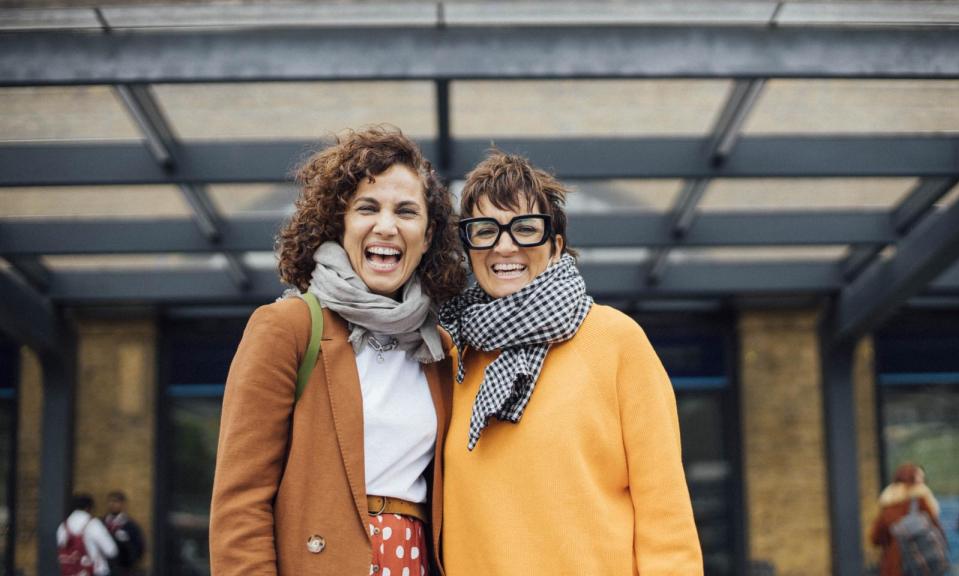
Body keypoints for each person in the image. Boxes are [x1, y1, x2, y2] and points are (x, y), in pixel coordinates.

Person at [209, 126, 465, 575]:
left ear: (426, 237)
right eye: (368, 208)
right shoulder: (286, 328)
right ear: (339, 224)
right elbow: (240, 502)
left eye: (406, 211)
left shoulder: (437, 349)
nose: (386, 226)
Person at [438, 151, 704, 575]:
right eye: (485, 230)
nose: (504, 246)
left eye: (525, 228)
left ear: (555, 244)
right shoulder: (451, 355)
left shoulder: (615, 340)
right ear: (469, 248)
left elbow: (665, 512)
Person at [870, 462, 943, 576]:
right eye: (920, 479)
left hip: (895, 566)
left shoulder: (888, 506)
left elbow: (875, 538)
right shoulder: (922, 501)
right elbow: (937, 530)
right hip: (924, 565)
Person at [57, 493, 118, 576]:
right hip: (93, 572)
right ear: (88, 508)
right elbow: (111, 551)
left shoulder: (62, 527)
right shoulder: (93, 524)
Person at [103, 491, 145, 576]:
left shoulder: (130, 526)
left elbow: (139, 548)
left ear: (122, 504)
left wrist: (125, 543)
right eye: (110, 502)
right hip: (104, 568)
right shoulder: (101, 523)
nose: (112, 504)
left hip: (123, 569)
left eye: (116, 502)